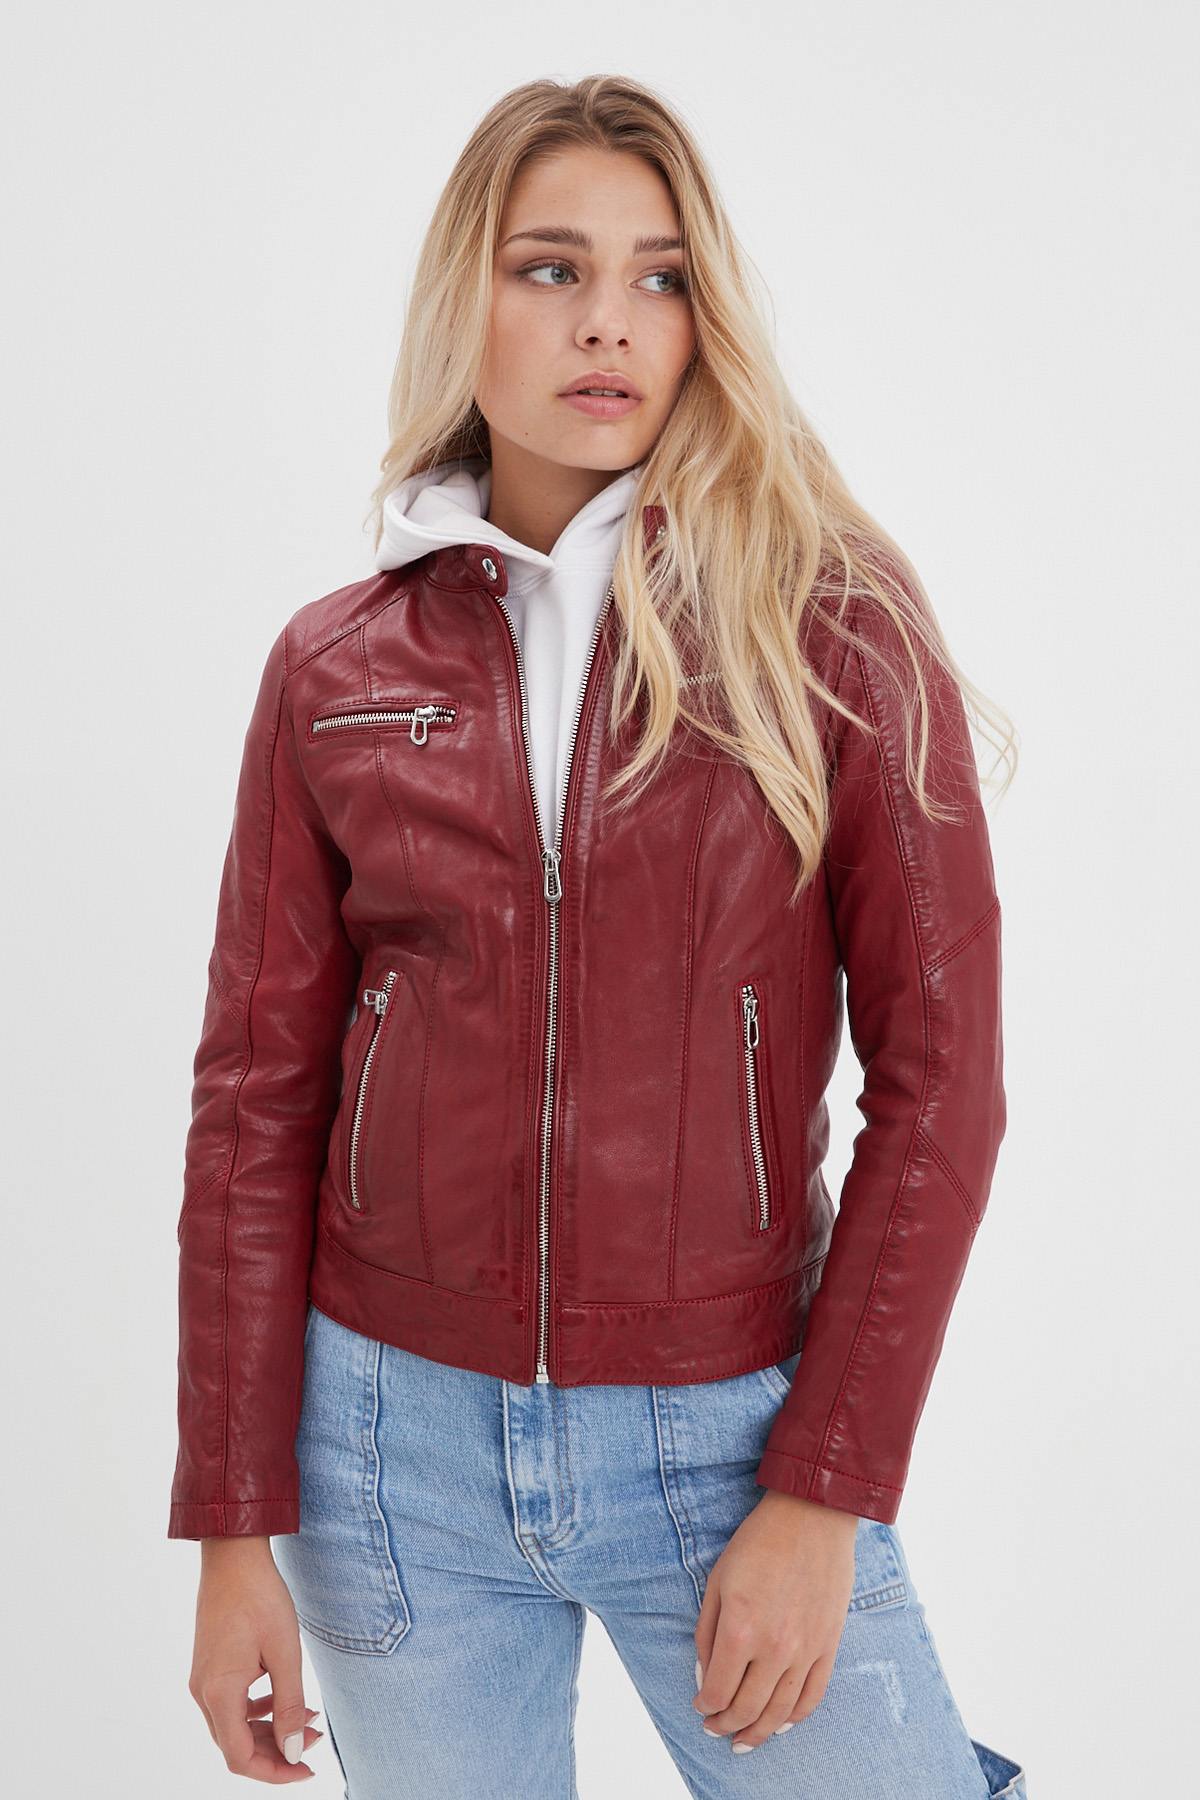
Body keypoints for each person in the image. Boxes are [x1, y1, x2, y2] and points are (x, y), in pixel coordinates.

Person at [169, 73, 1027, 1799]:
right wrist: (233, 1524)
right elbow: (254, 1105)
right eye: (551, 268)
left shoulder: (829, 631)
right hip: (385, 1450)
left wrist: (826, 1489)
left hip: (723, 1436)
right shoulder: (337, 666)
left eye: (661, 277)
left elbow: (945, 1089)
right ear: (464, 299)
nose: (608, 323)